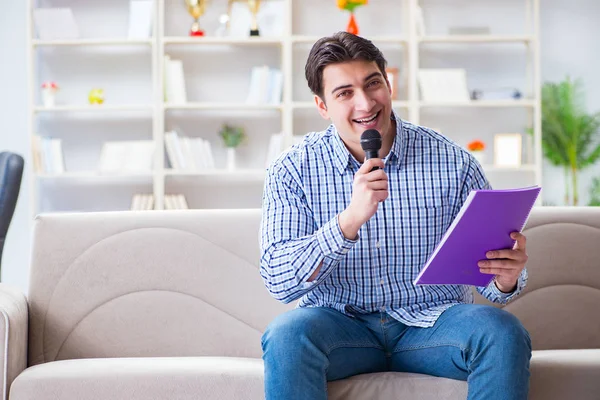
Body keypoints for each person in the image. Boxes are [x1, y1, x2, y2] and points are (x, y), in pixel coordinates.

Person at [259, 31, 531, 400]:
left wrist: (507, 278)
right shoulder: (292, 170)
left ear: (387, 84)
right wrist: (348, 222)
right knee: (288, 335)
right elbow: (278, 280)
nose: (365, 103)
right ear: (322, 106)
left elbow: (492, 286)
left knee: (501, 331)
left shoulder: (453, 161)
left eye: (373, 84)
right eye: (344, 93)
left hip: (433, 324)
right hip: (340, 327)